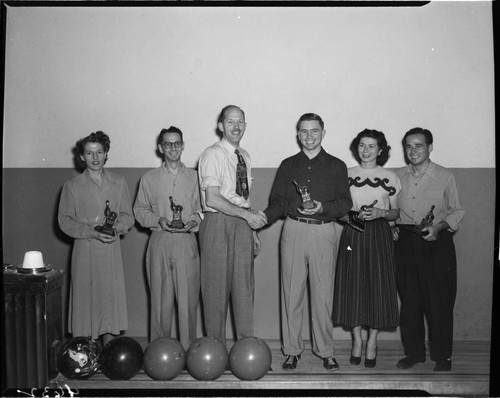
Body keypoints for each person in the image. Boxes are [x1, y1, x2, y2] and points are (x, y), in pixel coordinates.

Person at [262, 113, 352, 370]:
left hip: (324, 232)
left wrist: (324, 207)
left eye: (314, 131)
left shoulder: (337, 165)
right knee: (291, 293)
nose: (309, 136)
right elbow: (277, 202)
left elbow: (345, 203)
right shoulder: (288, 164)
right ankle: (292, 350)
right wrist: (260, 220)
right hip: (293, 230)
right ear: (298, 134)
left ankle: (326, 350)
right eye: (304, 131)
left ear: (323, 133)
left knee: (323, 295)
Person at [394, 127, 464, 372]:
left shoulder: (445, 176)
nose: (413, 151)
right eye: (409, 146)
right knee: (410, 302)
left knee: (439, 302)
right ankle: (414, 354)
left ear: (430, 148)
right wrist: (393, 226)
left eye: (419, 145)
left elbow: (457, 211)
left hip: (437, 242)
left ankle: (442, 356)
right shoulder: (397, 176)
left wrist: (438, 227)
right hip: (405, 242)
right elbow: (392, 209)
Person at [198, 105, 266, 346]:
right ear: (220, 126)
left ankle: (246, 352)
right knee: (215, 292)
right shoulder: (212, 154)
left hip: (241, 225)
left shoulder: (244, 156)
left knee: (244, 291)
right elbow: (213, 198)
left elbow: (243, 198)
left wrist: (252, 230)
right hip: (217, 223)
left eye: (240, 122)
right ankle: (215, 353)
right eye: (230, 122)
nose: (236, 127)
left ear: (245, 126)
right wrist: (246, 217)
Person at [58, 131, 134, 347]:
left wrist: (115, 229)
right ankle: (86, 350)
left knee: (109, 298)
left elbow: (128, 216)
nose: (95, 157)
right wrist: (91, 232)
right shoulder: (72, 186)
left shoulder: (118, 183)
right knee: (86, 299)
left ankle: (109, 348)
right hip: (85, 250)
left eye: (99, 152)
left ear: (106, 153)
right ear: (81, 156)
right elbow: (64, 221)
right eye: (89, 153)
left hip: (111, 250)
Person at [332, 129, 400, 368]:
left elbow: (395, 212)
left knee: (377, 287)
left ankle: (372, 341)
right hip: (353, 233)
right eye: (362, 145)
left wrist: (382, 213)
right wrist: (352, 216)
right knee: (354, 286)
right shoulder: (345, 174)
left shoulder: (390, 176)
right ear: (356, 147)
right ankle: (357, 341)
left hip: (380, 234)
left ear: (380, 150)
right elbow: (338, 211)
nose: (366, 150)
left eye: (372, 146)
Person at [133, 126, 201, 350]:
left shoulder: (195, 178)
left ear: (183, 145)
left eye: (177, 143)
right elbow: (139, 210)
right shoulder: (149, 178)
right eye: (168, 144)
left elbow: (203, 209)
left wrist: (193, 221)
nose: (173, 148)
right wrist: (158, 220)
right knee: (160, 303)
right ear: (160, 148)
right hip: (159, 241)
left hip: (186, 243)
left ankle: (189, 351)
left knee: (188, 301)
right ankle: (159, 352)